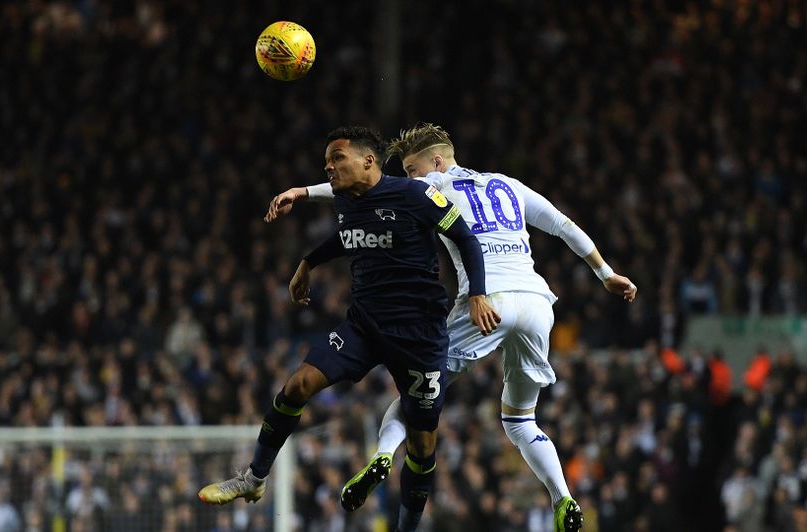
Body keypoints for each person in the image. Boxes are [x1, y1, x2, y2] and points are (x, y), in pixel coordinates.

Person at [267, 123, 637, 532]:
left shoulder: (436, 183)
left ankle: (383, 454)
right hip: (536, 303)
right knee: (519, 420)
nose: (409, 179)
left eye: (412, 169)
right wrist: (605, 274)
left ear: (437, 162)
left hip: (486, 303)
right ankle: (563, 496)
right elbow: (562, 224)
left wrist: (303, 192)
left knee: (416, 390)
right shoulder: (508, 185)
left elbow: (370, 187)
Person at [198, 126, 500, 532]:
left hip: (420, 335)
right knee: (298, 385)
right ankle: (254, 479)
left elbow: (465, 239)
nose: (329, 165)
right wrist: (308, 262)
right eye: (328, 160)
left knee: (422, 445)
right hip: (364, 325)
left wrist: (477, 293)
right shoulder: (346, 199)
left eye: (337, 157)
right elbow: (349, 236)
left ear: (368, 161)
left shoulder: (418, 195)